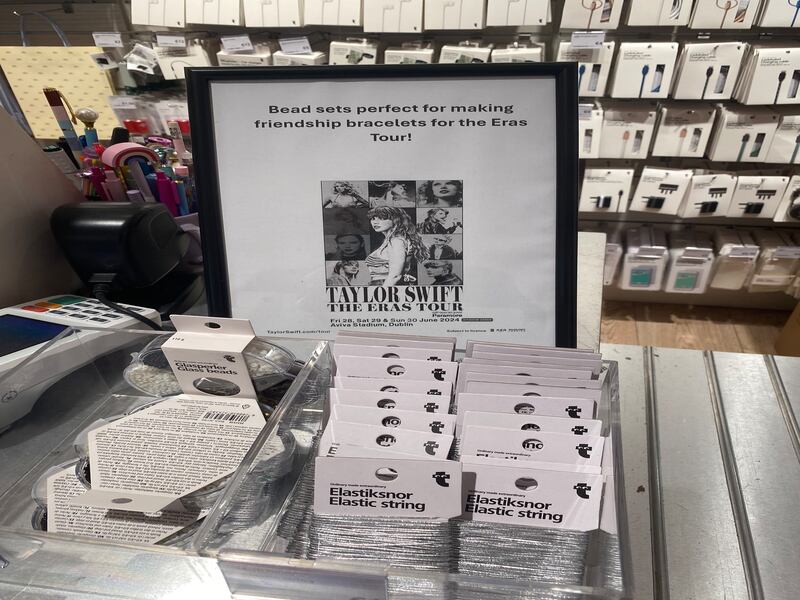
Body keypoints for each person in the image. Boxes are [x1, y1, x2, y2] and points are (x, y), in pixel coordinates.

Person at [366, 206, 427, 287]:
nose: (375, 222)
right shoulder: (391, 240)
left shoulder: (396, 241)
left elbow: (395, 276)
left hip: (386, 286)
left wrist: (382, 294)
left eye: (382, 218)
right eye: (373, 218)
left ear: (396, 220)